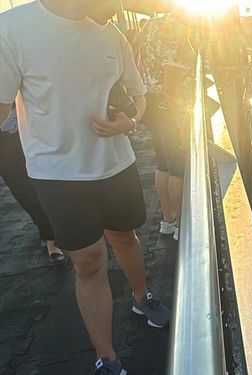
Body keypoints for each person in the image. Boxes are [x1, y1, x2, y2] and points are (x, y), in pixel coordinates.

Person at [0, 1, 170, 374]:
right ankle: (106, 357)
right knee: (89, 263)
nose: (119, 5)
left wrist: (130, 121)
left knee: (126, 237)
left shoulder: (112, 34)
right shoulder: (12, 29)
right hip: (58, 175)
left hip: (117, 165)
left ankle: (143, 297)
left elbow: (137, 95)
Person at [136, 8, 197, 241]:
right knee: (178, 170)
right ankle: (182, 227)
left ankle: (167, 219)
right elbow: (171, 87)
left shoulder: (151, 26)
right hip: (170, 110)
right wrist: (180, 124)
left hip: (151, 107)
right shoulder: (175, 33)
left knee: (163, 165)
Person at [0, 105, 63, 262]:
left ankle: (54, 234)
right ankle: (47, 232)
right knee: (22, 191)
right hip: (4, 141)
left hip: (33, 130)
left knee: (49, 182)